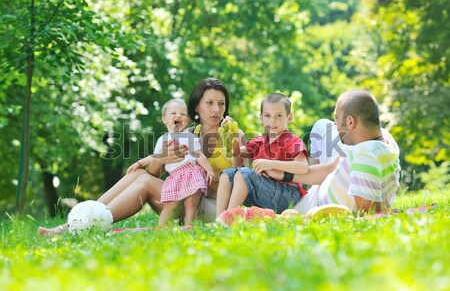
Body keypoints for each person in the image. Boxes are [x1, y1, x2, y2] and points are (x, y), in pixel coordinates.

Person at [38, 78, 245, 235]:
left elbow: (242, 178)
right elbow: (154, 172)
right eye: (209, 103)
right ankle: (81, 219)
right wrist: (160, 158)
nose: (216, 109)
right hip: (181, 200)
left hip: (212, 207)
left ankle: (84, 224)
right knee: (138, 173)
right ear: (197, 107)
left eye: (221, 103)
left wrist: (235, 150)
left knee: (144, 181)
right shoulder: (186, 134)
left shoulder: (234, 134)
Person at [267, 89, 401, 215]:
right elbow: (330, 168)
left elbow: (369, 214)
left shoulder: (364, 155)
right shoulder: (384, 137)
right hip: (322, 185)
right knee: (322, 124)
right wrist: (284, 175)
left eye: (337, 118)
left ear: (350, 122)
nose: (335, 123)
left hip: (317, 206)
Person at [216, 93, 309, 215]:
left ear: (289, 117)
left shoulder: (292, 141)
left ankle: (229, 218)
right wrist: (230, 131)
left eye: (279, 116)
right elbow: (236, 152)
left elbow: (303, 167)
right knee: (227, 175)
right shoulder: (258, 142)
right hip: (266, 194)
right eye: (267, 116)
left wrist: (270, 164)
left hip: (288, 196)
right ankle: (219, 220)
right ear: (261, 117)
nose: (272, 121)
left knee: (245, 173)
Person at [137, 99, 215, 226]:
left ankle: (189, 225)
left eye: (183, 114)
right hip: (175, 176)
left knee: (191, 202)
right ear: (165, 119)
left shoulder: (189, 137)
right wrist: (139, 163)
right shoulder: (163, 140)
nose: (178, 116)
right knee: (170, 203)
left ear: (187, 121)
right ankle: (161, 227)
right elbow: (154, 157)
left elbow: (199, 155)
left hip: (191, 172)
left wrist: (209, 170)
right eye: (173, 113)